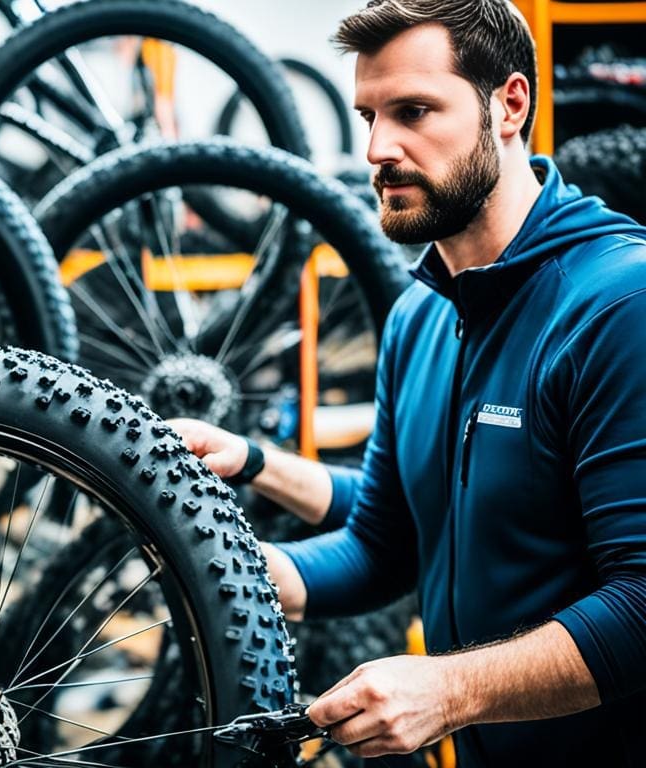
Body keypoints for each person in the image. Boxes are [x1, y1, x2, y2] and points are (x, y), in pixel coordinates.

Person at [169, 1, 646, 765]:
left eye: (414, 111)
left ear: (509, 106)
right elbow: (386, 544)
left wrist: (449, 691)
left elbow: (643, 606)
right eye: (368, 116)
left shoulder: (621, 302)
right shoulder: (420, 316)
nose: (379, 148)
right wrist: (229, 567)